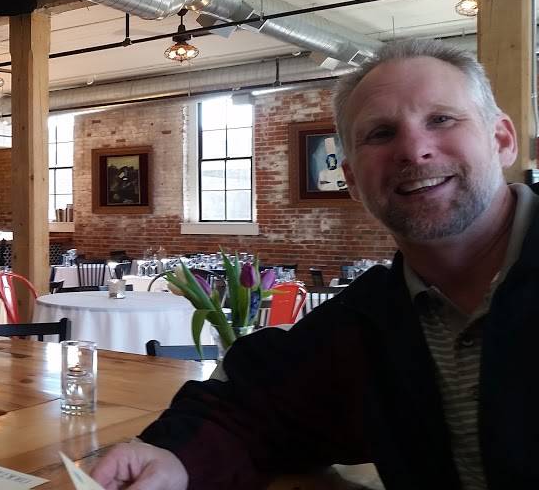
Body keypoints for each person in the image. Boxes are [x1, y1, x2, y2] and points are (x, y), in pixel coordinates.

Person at [91, 38, 539, 489]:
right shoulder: (369, 321)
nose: (414, 149)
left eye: (441, 119)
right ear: (352, 181)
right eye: (381, 133)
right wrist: (172, 457)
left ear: (502, 140)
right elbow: (249, 410)